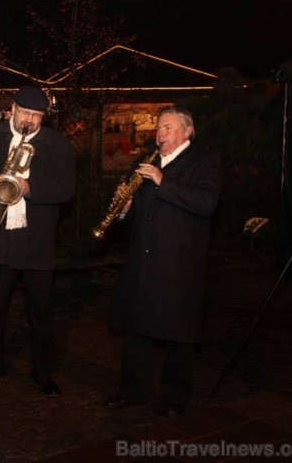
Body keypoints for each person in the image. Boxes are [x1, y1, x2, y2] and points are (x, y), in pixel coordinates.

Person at [0, 85, 76, 396]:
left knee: (41, 311)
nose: (29, 121)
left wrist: (29, 187)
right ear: (12, 108)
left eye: (37, 116)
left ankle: (43, 373)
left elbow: (66, 189)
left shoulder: (57, 143)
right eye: (25, 113)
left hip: (37, 241)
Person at [105, 107, 223, 419]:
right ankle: (132, 391)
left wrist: (162, 181)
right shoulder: (145, 161)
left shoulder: (205, 162)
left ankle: (174, 397)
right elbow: (134, 215)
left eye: (167, 128)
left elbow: (206, 203)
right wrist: (124, 206)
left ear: (187, 131)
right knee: (136, 329)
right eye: (158, 128)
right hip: (142, 260)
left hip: (178, 263)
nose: (160, 134)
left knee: (178, 333)